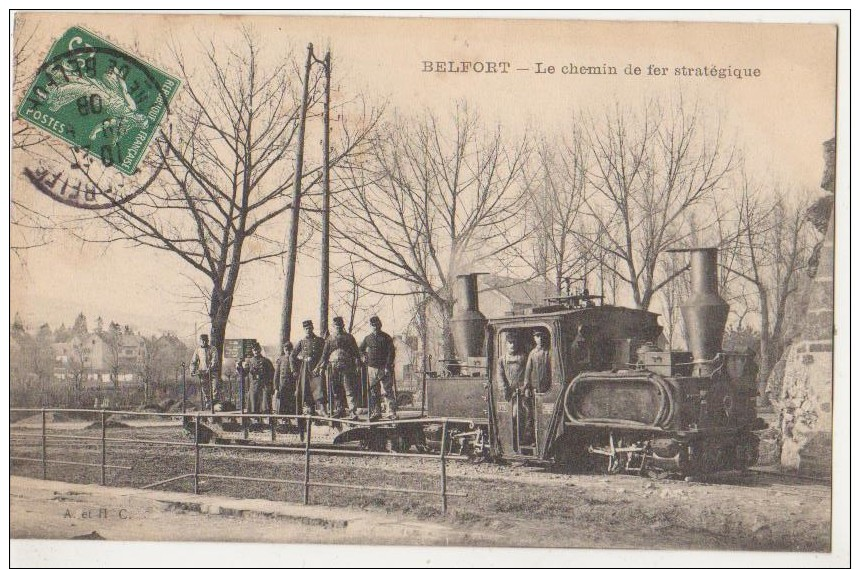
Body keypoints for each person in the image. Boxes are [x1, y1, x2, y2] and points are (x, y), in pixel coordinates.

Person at [315, 316, 361, 420]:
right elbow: (324, 355)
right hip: (333, 367)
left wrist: (358, 363)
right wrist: (319, 367)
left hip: (347, 366)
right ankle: (340, 410)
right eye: (336, 326)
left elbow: (356, 353)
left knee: (349, 388)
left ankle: (352, 411)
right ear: (333, 326)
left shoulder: (349, 338)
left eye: (340, 325)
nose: (338, 327)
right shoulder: (329, 339)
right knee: (336, 389)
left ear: (343, 325)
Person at [497, 333, 533, 447]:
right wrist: (504, 390)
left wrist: (526, 387)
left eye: (514, 343)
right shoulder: (502, 360)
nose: (512, 345)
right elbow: (500, 376)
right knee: (512, 415)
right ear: (506, 344)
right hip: (510, 393)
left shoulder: (524, 357)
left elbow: (529, 373)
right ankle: (513, 441)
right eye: (510, 343)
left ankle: (526, 439)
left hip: (522, 392)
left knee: (527, 414)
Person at [359, 315, 397, 421]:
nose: (375, 327)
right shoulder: (368, 338)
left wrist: (388, 366)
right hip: (372, 369)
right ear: (370, 326)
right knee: (374, 391)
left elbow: (391, 352)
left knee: (387, 390)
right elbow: (360, 349)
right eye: (373, 325)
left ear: (380, 325)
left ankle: (391, 412)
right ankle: (377, 412)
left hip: (384, 368)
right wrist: (364, 356)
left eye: (376, 325)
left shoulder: (386, 337)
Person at [291, 320, 326, 416]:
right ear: (304, 330)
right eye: (306, 328)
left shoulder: (319, 341)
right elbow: (292, 356)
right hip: (305, 369)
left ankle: (323, 410)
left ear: (312, 328)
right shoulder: (302, 342)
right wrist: (294, 369)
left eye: (310, 328)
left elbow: (324, 354)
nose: (308, 330)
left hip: (316, 368)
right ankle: (310, 411)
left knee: (319, 389)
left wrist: (321, 366)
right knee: (307, 390)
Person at [190, 333, 220, 410]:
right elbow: (193, 361)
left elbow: (214, 360)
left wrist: (210, 367)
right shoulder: (197, 350)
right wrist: (192, 370)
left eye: (205, 341)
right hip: (202, 371)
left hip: (213, 371)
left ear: (208, 341)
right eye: (202, 341)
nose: (204, 342)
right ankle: (208, 402)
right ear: (200, 341)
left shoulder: (212, 349)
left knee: (215, 386)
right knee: (205, 388)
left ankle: (215, 402)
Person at [247, 342, 275, 420]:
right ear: (252, 351)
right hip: (254, 386)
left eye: (257, 350)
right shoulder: (249, 361)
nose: (256, 351)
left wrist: (271, 386)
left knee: (265, 405)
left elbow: (272, 373)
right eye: (254, 350)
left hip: (264, 386)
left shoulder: (266, 361)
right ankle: (255, 422)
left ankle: (267, 422)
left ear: (260, 350)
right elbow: (244, 373)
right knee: (254, 405)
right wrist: (239, 366)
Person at [524, 329, 551, 393]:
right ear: (534, 338)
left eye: (542, 336)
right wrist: (526, 388)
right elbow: (528, 371)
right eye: (538, 336)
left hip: (548, 388)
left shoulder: (549, 352)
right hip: (535, 388)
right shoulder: (532, 353)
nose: (540, 338)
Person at [274, 341, 295, 416]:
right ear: (284, 350)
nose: (288, 352)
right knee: (282, 404)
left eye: (290, 350)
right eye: (286, 350)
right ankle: (283, 421)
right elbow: (276, 375)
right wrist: (276, 388)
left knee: (292, 405)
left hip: (292, 386)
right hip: (282, 385)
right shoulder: (280, 360)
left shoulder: (296, 360)